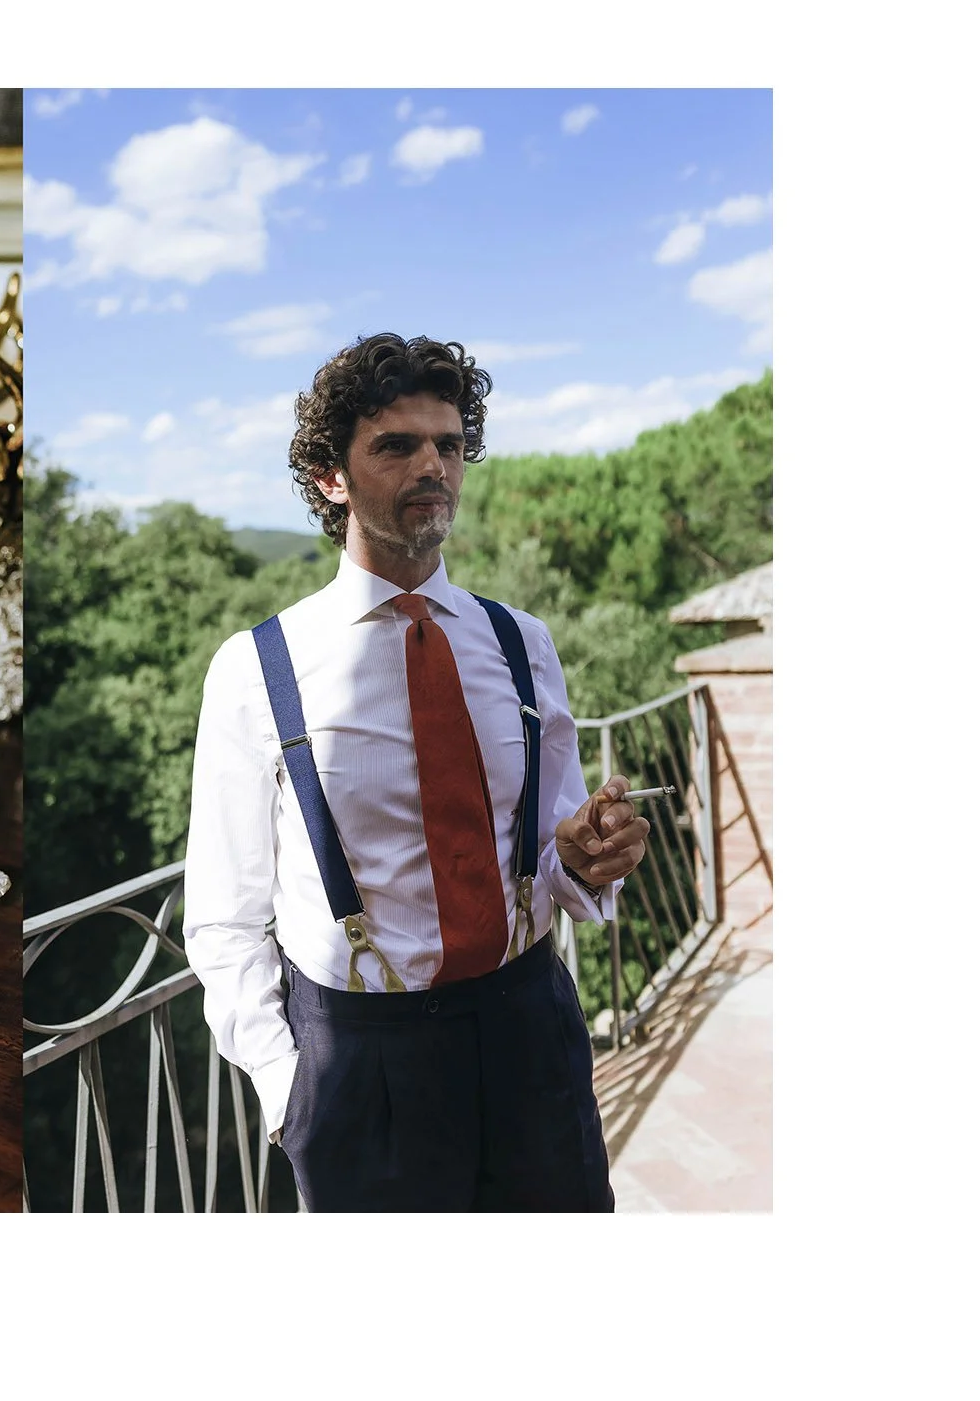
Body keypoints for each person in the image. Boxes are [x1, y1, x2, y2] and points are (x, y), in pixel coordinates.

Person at [182, 333, 649, 1212]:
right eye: (397, 446)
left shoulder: (521, 644)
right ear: (331, 477)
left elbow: (552, 852)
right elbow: (223, 916)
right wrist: (292, 1095)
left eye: (449, 445)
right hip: (363, 1062)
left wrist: (587, 858)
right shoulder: (255, 670)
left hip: (530, 1029)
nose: (432, 465)